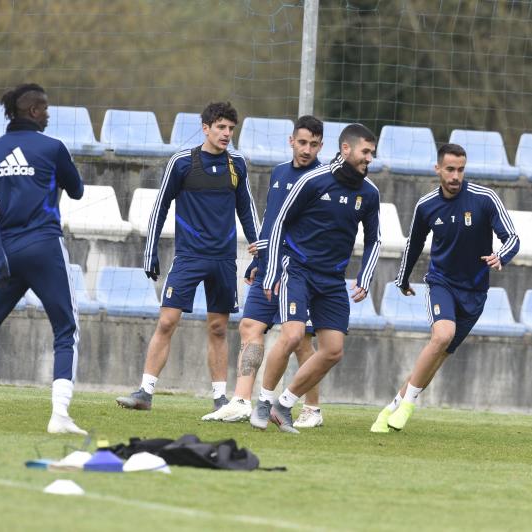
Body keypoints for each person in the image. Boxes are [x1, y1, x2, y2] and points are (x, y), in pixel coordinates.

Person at [115, 102, 260, 412]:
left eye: (231, 129)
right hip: (189, 257)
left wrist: (258, 252)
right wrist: (150, 248)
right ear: (205, 128)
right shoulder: (181, 162)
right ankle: (145, 392)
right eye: (221, 127)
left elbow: (247, 209)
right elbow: (160, 206)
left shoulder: (238, 164)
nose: (226, 134)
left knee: (219, 328)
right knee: (167, 321)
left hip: (223, 260)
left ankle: (220, 398)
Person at [370, 143, 520, 433]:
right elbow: (413, 244)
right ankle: (410, 406)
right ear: (437, 169)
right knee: (442, 335)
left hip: (475, 293)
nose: (455, 176)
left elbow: (512, 236)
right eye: (450, 169)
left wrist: (501, 256)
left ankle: (391, 408)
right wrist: (403, 279)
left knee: (437, 357)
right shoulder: (426, 206)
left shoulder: (484, 199)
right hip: (441, 283)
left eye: (460, 170)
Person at [249, 123, 381, 433]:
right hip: (298, 271)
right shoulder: (313, 181)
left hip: (332, 281)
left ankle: (283, 405)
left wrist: (365, 275)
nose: (369, 158)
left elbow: (374, 239)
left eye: (372, 153)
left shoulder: (369, 193)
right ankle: (263, 403)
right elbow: (280, 222)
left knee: (333, 350)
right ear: (346, 149)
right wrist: (271, 272)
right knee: (293, 335)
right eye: (365, 152)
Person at [201, 115, 326, 428]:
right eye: (302, 142)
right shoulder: (280, 172)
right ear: (291, 141)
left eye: (313, 144)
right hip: (271, 264)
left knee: (299, 340)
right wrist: (260, 260)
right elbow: (272, 217)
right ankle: (242, 401)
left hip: (300, 270)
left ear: (320, 146)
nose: (306, 149)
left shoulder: (324, 179)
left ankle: (312, 409)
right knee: (250, 326)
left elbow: (318, 230)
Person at [0, 83, 86, 434]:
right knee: (66, 328)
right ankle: (59, 417)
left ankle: (61, 417)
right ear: (33, 111)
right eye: (45, 107)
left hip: (7, 253)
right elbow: (77, 189)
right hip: (44, 247)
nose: (49, 113)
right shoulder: (53, 148)